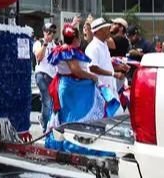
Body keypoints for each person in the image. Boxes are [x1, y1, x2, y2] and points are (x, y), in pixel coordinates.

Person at [44, 24, 118, 155]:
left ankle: (64, 142)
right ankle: (74, 145)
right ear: (75, 39)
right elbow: (76, 71)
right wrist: (93, 77)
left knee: (68, 116)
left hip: (69, 86)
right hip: (74, 88)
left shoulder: (62, 49)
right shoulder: (68, 51)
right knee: (76, 118)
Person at [85, 18, 127, 93]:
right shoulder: (93, 47)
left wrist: (118, 67)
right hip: (99, 90)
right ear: (99, 31)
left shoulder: (104, 45)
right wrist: (114, 74)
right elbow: (93, 68)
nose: (109, 30)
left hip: (109, 88)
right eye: (106, 28)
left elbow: (104, 64)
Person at [33, 24, 58, 131]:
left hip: (52, 76)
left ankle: (44, 119)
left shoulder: (56, 45)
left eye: (53, 32)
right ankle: (46, 126)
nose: (51, 34)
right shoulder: (38, 43)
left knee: (50, 101)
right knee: (47, 100)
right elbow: (38, 57)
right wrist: (45, 44)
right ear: (44, 32)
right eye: (49, 32)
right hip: (41, 74)